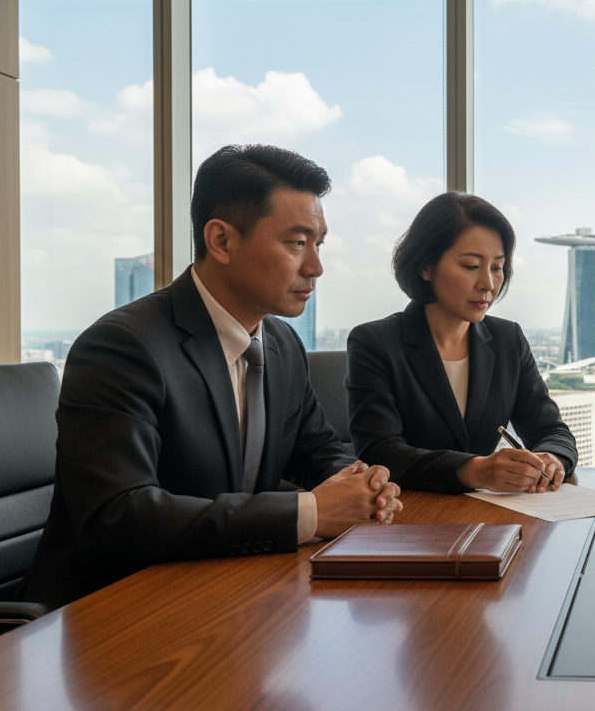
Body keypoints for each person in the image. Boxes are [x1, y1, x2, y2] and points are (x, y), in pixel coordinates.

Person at [22, 145, 402, 610]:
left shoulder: (282, 344)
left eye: (318, 244)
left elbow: (317, 448)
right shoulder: (122, 347)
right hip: (115, 612)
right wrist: (312, 513)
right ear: (221, 241)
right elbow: (118, 518)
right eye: (296, 243)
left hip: (229, 595)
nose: (315, 267)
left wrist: (361, 483)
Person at [346, 192, 578, 494]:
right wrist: (473, 470)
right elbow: (379, 452)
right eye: (471, 266)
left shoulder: (509, 340)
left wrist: (553, 458)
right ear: (425, 267)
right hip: (409, 519)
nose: (489, 284)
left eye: (497, 267)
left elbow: (551, 430)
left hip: (491, 518)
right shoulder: (375, 343)